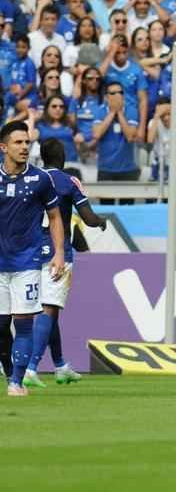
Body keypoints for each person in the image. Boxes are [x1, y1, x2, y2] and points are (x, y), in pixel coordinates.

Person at [22, 138, 106, 388]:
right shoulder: (68, 181)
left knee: (51, 310)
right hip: (58, 254)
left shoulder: (31, 178)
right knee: (49, 309)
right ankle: (30, 368)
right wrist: (101, 221)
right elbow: (88, 218)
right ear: (64, 157)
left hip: (30, 253)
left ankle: (60, 365)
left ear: (41, 157)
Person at [0, 120, 66, 397]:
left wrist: (59, 253)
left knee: (24, 322)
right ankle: (9, 369)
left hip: (27, 262)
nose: (25, 147)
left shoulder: (40, 179)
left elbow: (54, 217)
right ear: (3, 147)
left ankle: (16, 382)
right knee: (1, 326)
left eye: (27, 142)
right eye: (18, 142)